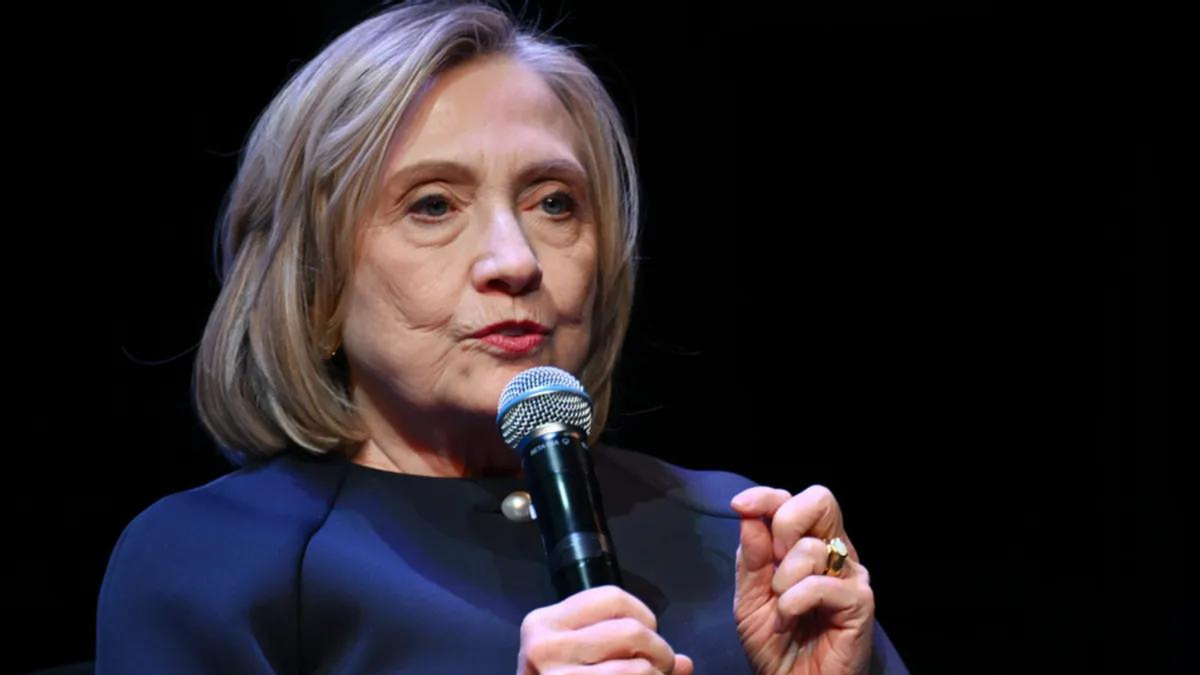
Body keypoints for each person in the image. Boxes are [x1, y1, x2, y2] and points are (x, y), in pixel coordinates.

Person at [97, 2, 910, 673]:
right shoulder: (217, 560)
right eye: (432, 206)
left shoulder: (737, 538)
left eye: (554, 202)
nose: (515, 261)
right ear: (316, 282)